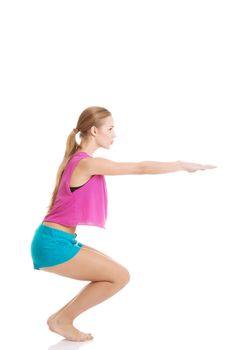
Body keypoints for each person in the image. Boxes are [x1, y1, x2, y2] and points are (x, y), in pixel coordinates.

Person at [30, 106, 216, 342]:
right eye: (111, 128)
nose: (114, 134)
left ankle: (61, 318)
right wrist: (180, 164)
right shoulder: (86, 163)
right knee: (119, 276)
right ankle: (61, 320)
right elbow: (141, 168)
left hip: (58, 239)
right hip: (52, 244)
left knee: (116, 273)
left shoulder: (79, 160)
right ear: (95, 131)